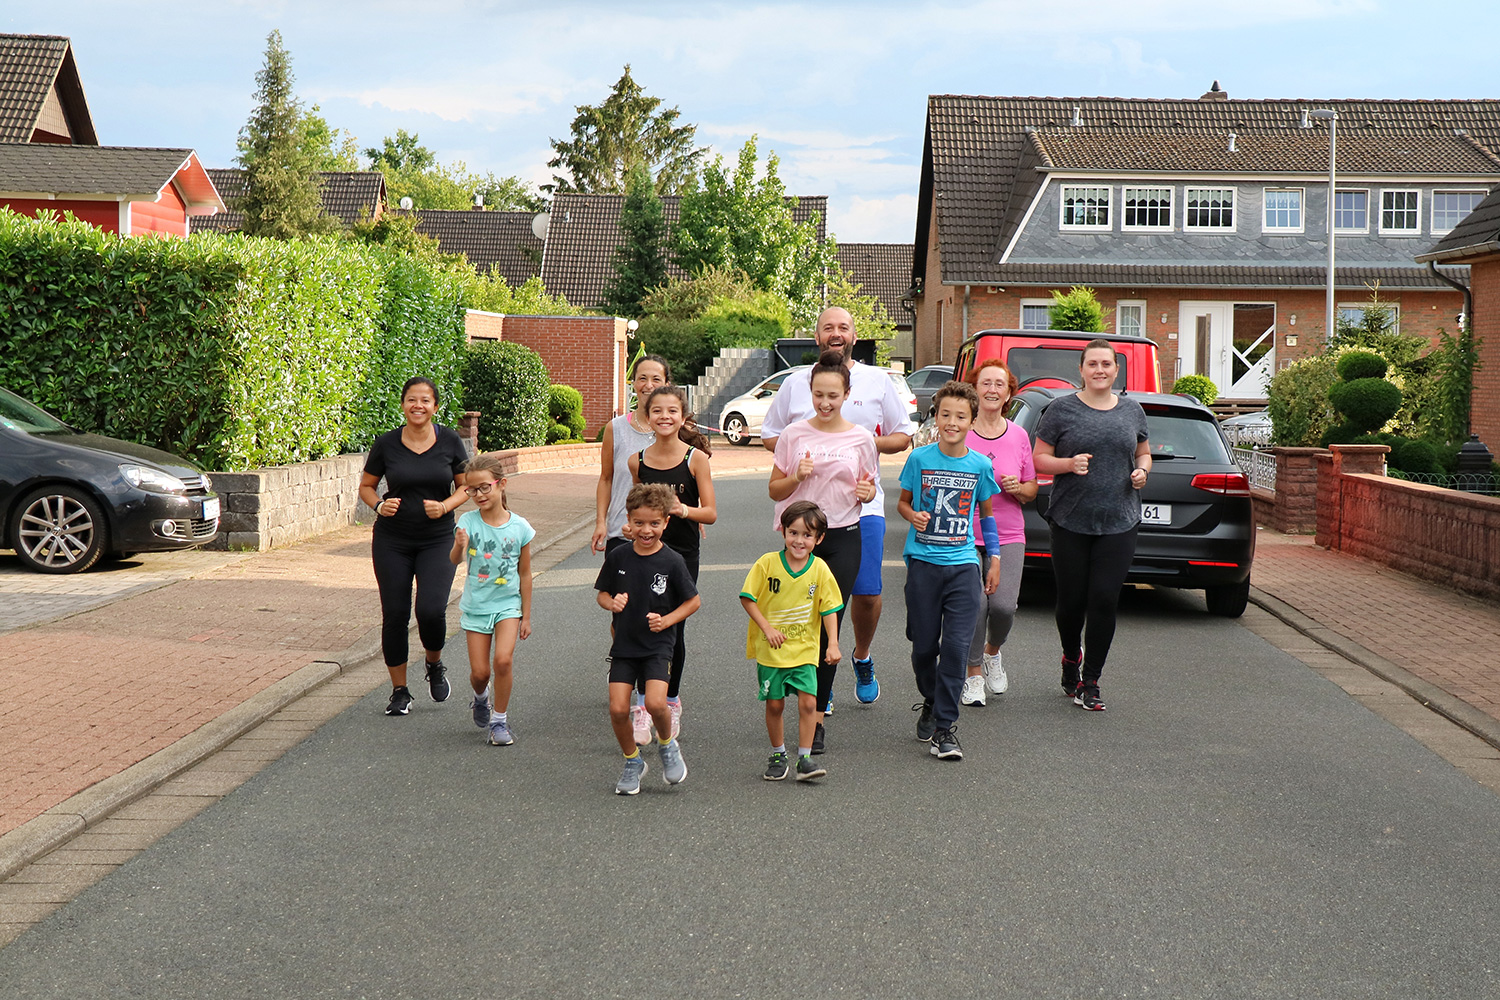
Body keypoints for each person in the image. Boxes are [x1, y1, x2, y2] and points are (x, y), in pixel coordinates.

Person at [760, 306, 915, 706]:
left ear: (854, 334)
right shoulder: (796, 383)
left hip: (862, 508)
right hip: (806, 514)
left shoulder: (877, 380)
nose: (836, 333)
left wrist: (850, 442)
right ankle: (820, 685)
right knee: (816, 602)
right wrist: (811, 453)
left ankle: (861, 656)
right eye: (827, 326)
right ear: (816, 335)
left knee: (864, 591)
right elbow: (771, 436)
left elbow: (902, 437)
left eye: (843, 327)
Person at [1031, 340, 1151, 712]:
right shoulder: (1060, 409)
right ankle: (1071, 656)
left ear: (1117, 371)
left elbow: (1144, 452)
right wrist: (1068, 465)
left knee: (1103, 599)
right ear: (1081, 371)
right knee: (1071, 602)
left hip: (1119, 520)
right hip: (1071, 518)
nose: (1100, 370)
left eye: (1107, 364)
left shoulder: (1132, 411)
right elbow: (1038, 459)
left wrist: (1142, 471)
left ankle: (1092, 680)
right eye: (1092, 364)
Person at [768, 351, 878, 754]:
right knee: (801, 624)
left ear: (847, 393)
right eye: (818, 395)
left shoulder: (862, 439)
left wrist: (867, 493)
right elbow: (774, 490)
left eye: (833, 395)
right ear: (809, 393)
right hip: (800, 540)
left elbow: (869, 488)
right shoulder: (794, 435)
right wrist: (796, 476)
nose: (825, 402)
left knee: (829, 624)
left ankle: (815, 718)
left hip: (844, 538)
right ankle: (796, 703)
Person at [897, 381, 1001, 761]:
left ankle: (945, 728)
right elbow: (903, 505)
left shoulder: (980, 465)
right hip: (923, 565)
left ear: (972, 422)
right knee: (924, 647)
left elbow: (988, 517)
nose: (952, 422)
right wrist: (913, 516)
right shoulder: (919, 459)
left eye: (961, 416)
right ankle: (930, 697)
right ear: (936, 418)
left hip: (962, 567)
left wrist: (995, 560)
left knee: (956, 650)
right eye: (945, 415)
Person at [359, 376, 469, 717]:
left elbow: (466, 486)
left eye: (425, 400)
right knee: (394, 613)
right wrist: (378, 505)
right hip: (392, 539)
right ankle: (399, 691)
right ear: (403, 404)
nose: (417, 405)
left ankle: (434, 663)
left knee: (430, 610)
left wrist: (446, 506)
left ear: (435, 406)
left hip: (438, 538)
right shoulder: (387, 443)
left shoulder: (450, 441)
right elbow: (366, 486)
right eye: (411, 399)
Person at [595, 484, 701, 796]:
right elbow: (602, 593)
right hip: (625, 646)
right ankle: (633, 762)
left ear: (666, 522)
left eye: (654, 523)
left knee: (655, 702)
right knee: (617, 709)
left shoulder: (672, 561)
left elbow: (693, 601)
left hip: (658, 645)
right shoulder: (618, 556)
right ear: (628, 520)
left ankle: (668, 746)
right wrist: (610, 603)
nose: (646, 530)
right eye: (639, 523)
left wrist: (667, 620)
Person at [628, 386, 716, 744]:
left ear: (683, 416)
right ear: (647, 417)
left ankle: (671, 699)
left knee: (672, 628)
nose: (664, 417)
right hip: (643, 551)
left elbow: (710, 513)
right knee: (637, 624)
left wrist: (683, 510)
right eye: (657, 411)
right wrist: (630, 526)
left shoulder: (695, 459)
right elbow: (636, 508)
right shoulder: (638, 460)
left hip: (681, 554)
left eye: (672, 411)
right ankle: (640, 705)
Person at [740, 501, 842, 783]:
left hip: (805, 650)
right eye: (793, 532)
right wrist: (767, 628)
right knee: (775, 704)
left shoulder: (819, 569)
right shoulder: (767, 563)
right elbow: (748, 597)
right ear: (783, 531)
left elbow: (829, 607)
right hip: (772, 652)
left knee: (809, 703)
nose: (799, 540)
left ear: (818, 539)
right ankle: (777, 754)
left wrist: (832, 643)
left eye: (807, 535)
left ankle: (805, 758)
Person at [961, 360, 1038, 707]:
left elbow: (1033, 488)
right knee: (975, 605)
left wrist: (1018, 488)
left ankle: (993, 652)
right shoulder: (961, 429)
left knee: (1004, 606)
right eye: (985, 383)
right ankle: (972, 673)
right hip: (963, 532)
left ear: (1009, 393)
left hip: (1008, 532)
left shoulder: (1019, 435)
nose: (992, 389)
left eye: (1000, 384)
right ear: (975, 387)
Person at [449, 452, 533, 746]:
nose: (479, 495)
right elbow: (455, 560)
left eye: (485, 487)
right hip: (477, 606)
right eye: (472, 490)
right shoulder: (468, 522)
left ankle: (500, 721)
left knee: (503, 660)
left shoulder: (520, 527)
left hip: (508, 605)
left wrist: (526, 615)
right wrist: (460, 546)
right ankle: (480, 697)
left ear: (501, 484)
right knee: (480, 672)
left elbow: (525, 574)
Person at [592, 355, 672, 556]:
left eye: (656, 379)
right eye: (642, 378)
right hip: (622, 532)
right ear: (634, 383)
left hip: (665, 534)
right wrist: (601, 522)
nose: (648, 385)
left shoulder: (673, 428)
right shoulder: (616, 428)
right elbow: (606, 478)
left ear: (666, 384)